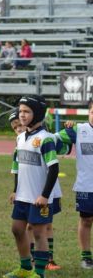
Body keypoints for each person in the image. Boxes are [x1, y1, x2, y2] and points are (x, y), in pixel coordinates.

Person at [4, 95, 58, 278]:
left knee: (38, 233)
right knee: (17, 229)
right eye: (20, 111)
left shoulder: (45, 139)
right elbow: (18, 166)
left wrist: (44, 195)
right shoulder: (20, 137)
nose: (22, 115)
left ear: (37, 114)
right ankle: (25, 268)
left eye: (27, 111)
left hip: (38, 197)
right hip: (23, 195)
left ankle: (40, 274)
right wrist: (15, 190)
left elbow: (54, 168)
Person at [56, 99, 93, 269]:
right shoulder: (79, 130)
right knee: (86, 220)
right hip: (86, 186)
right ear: (88, 113)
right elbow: (53, 140)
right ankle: (86, 257)